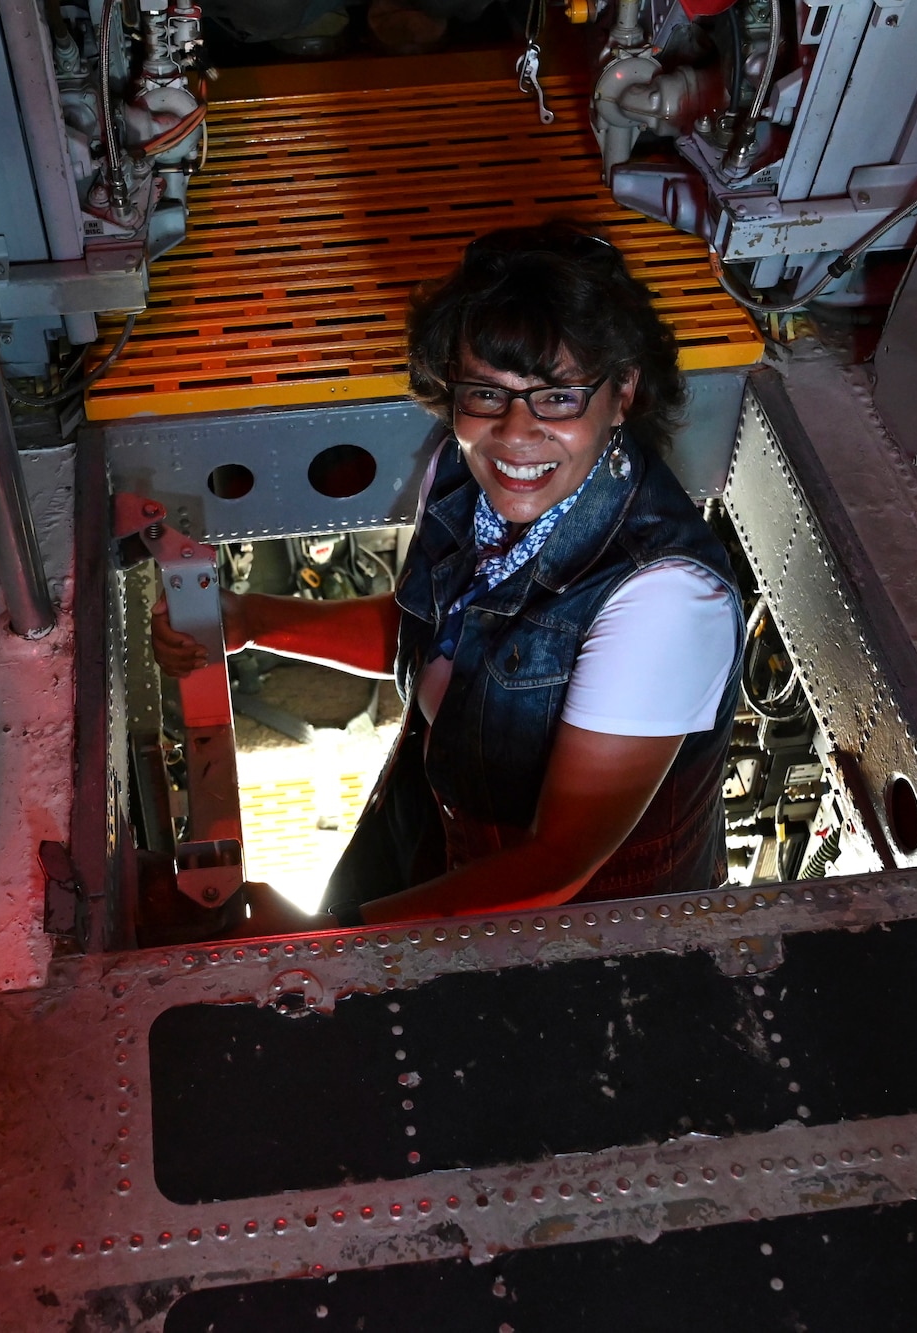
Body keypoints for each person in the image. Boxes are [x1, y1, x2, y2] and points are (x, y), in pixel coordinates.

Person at [151, 224, 744, 932]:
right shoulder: (464, 471)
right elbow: (430, 634)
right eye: (486, 395)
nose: (515, 433)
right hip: (440, 825)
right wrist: (252, 621)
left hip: (573, 934)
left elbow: (559, 860)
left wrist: (332, 939)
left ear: (622, 393)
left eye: (557, 397)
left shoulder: (665, 598)